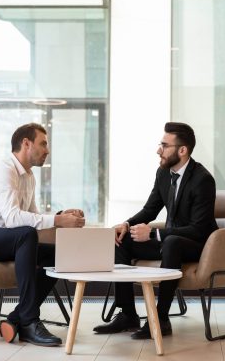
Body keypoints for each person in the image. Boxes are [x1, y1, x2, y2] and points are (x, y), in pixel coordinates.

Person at [0, 123, 85, 347]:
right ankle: (29, 321)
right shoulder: (4, 171)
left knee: (58, 256)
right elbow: (13, 219)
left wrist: (60, 216)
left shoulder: (28, 176)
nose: (47, 150)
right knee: (26, 234)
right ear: (26, 144)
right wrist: (57, 221)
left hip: (5, 239)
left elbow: (32, 216)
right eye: (43, 143)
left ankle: (17, 317)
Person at [93, 122, 217, 338]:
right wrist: (126, 225)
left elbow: (198, 229)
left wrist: (153, 233)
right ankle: (127, 314)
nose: (158, 150)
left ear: (182, 150)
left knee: (172, 242)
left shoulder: (202, 180)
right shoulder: (163, 174)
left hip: (197, 245)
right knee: (122, 240)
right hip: (169, 241)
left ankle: (160, 319)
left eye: (164, 145)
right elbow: (150, 210)